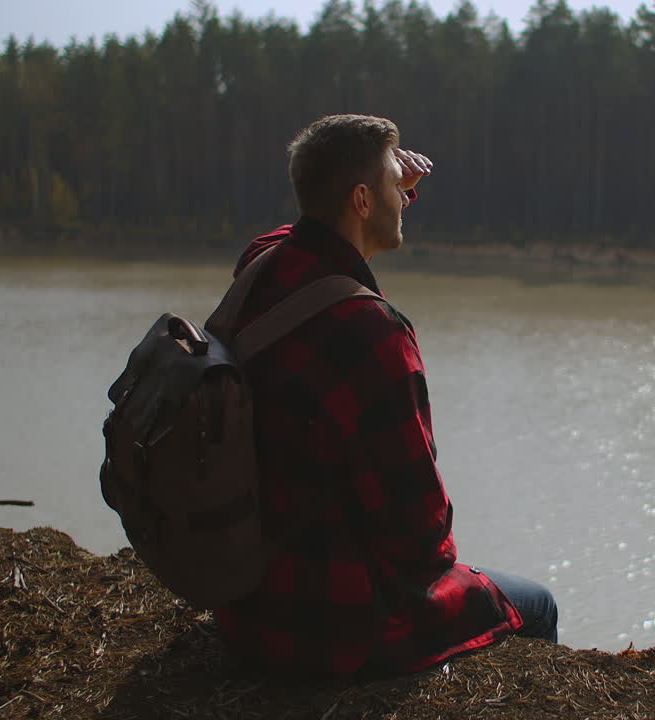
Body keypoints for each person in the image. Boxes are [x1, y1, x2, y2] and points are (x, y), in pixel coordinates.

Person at [211, 114, 557, 676]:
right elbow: (420, 535)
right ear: (363, 200)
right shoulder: (374, 334)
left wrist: (392, 189)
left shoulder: (262, 261)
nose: (406, 193)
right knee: (537, 604)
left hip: (246, 599)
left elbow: (318, 230)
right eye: (396, 185)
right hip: (333, 623)